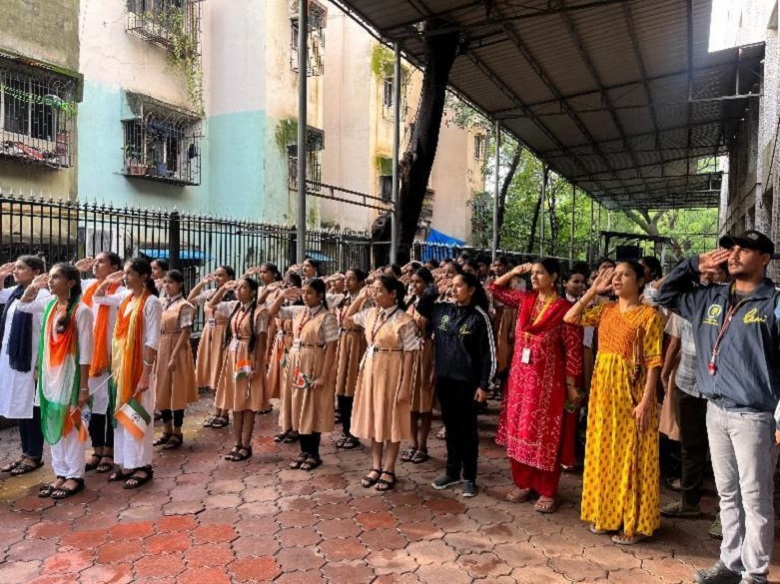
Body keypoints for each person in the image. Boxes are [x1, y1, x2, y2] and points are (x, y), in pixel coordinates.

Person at [658, 231, 780, 584]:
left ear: (765, 259)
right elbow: (664, 294)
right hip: (716, 409)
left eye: (746, 249)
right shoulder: (708, 297)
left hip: (755, 415)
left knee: (755, 498)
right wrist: (692, 264)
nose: (735, 254)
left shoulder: (773, 303)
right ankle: (730, 564)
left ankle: (755, 574)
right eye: (733, 248)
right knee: (728, 493)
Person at [564, 261, 663, 544]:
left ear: (640, 281)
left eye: (625, 275)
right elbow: (571, 317)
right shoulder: (604, 310)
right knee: (604, 451)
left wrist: (647, 402)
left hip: (632, 393)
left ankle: (629, 521)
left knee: (630, 455)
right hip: (603, 392)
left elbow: (654, 362)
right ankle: (607, 515)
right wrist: (594, 289)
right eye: (614, 275)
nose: (617, 279)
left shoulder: (649, 316)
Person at [490, 259, 583, 513]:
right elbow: (495, 289)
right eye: (532, 273)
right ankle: (523, 483)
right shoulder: (525, 301)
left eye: (540, 273)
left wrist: (572, 385)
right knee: (519, 432)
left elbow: (573, 350)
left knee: (545, 436)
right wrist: (514, 271)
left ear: (553, 277)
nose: (534, 277)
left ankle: (547, 490)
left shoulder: (564, 309)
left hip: (548, 385)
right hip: (520, 380)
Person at [415, 272, 496, 497]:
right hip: (445, 379)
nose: (454, 289)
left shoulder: (480, 317)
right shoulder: (442, 309)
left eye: (459, 286)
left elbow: (489, 353)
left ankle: (469, 477)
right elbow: (422, 308)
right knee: (451, 428)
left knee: (467, 431)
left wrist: (484, 385)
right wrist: (434, 289)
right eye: (452, 286)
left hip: (467, 383)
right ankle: (452, 472)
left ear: (471, 290)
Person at [19, 264, 93, 499]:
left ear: (70, 282)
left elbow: (86, 353)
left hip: (70, 377)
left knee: (70, 426)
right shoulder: (50, 305)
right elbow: (23, 305)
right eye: (49, 278)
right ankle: (60, 473)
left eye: (56, 278)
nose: (50, 282)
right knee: (53, 421)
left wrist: (83, 387)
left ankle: (75, 476)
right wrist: (32, 286)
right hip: (50, 376)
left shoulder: (81, 311)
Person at [94, 258, 162, 489]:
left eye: (130, 273)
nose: (125, 277)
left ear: (144, 277)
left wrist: (146, 373)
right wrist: (107, 281)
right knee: (122, 415)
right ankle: (126, 463)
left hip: (139, 369)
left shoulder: (152, 303)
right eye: (124, 273)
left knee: (137, 414)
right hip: (120, 368)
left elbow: (152, 341)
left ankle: (142, 466)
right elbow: (98, 298)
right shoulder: (125, 298)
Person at [345, 275, 417, 492]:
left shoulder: (404, 320)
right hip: (371, 369)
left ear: (393, 294)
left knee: (391, 418)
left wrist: (405, 386)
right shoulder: (370, 314)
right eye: (373, 290)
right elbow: (347, 318)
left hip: (393, 369)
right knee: (375, 417)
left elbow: (411, 355)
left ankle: (389, 468)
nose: (374, 294)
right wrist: (361, 297)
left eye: (379, 291)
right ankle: (375, 465)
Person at [269, 279, 339, 471]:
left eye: (310, 293)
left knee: (312, 407)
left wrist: (324, 375)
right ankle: (303, 451)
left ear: (320, 295)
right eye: (304, 292)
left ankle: (313, 453)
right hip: (296, 361)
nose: (306, 296)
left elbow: (332, 348)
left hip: (314, 360)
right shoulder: (299, 311)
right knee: (298, 404)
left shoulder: (327, 317)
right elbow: (273, 312)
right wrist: (282, 296)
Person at [208, 276, 268, 461]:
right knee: (236, 400)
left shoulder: (260, 312)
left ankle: (246, 444)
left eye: (243, 288)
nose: (239, 291)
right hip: (234, 357)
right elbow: (212, 304)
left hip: (247, 357)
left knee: (247, 402)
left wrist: (257, 365)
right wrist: (224, 289)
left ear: (252, 291)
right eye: (238, 288)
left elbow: (261, 341)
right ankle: (237, 443)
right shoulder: (234, 307)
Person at [0, 256, 50, 477]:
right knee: (20, 406)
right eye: (16, 268)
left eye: (22, 268)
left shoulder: (45, 295)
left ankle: (34, 455)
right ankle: (25, 452)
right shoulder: (15, 292)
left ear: (36, 271)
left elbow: (44, 331)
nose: (17, 271)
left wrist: (40, 363)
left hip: (31, 361)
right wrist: (1, 276)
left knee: (32, 408)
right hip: (14, 360)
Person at [78, 252, 124, 474]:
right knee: (94, 405)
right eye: (95, 262)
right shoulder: (87, 285)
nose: (95, 265)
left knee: (109, 406)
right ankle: (96, 450)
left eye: (101, 262)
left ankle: (109, 451)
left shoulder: (122, 292)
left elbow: (100, 298)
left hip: (111, 358)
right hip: (90, 357)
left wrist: (108, 282)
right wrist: (78, 268)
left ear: (114, 267)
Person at [154, 270, 198, 450]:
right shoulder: (162, 302)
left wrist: (174, 355)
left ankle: (178, 431)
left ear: (180, 284)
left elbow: (186, 331)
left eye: (170, 282)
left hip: (177, 347)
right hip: (162, 344)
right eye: (165, 282)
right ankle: (167, 429)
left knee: (176, 389)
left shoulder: (184, 305)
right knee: (161, 387)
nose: (166, 285)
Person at [189, 265, 236, 429]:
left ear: (230, 277)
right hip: (209, 334)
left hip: (223, 334)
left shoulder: (233, 295)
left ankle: (224, 412)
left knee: (223, 373)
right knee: (213, 373)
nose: (217, 278)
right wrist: (202, 283)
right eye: (216, 275)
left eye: (221, 275)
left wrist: (225, 289)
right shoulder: (210, 293)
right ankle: (217, 412)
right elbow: (190, 299)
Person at [401, 267, 436, 464]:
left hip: (425, 352)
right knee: (410, 405)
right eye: (412, 282)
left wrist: (434, 367)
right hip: (410, 353)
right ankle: (413, 443)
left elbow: (435, 336)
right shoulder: (410, 302)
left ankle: (422, 445)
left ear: (427, 284)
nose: (414, 285)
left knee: (424, 405)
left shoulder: (433, 305)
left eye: (418, 282)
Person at [333, 268, 368, 450]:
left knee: (352, 389)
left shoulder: (366, 302)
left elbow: (352, 319)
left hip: (356, 343)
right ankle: (346, 430)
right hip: (343, 342)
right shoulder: (343, 299)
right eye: (345, 278)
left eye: (352, 279)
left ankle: (353, 432)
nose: (347, 282)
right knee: (341, 388)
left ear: (361, 282)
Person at [266, 272, 303, 444]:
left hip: (293, 346)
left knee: (293, 387)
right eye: (285, 284)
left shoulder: (300, 307)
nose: (286, 287)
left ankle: (295, 426)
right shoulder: (284, 304)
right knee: (283, 386)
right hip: (281, 347)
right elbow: (270, 313)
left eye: (290, 284)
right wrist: (281, 296)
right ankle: (285, 425)